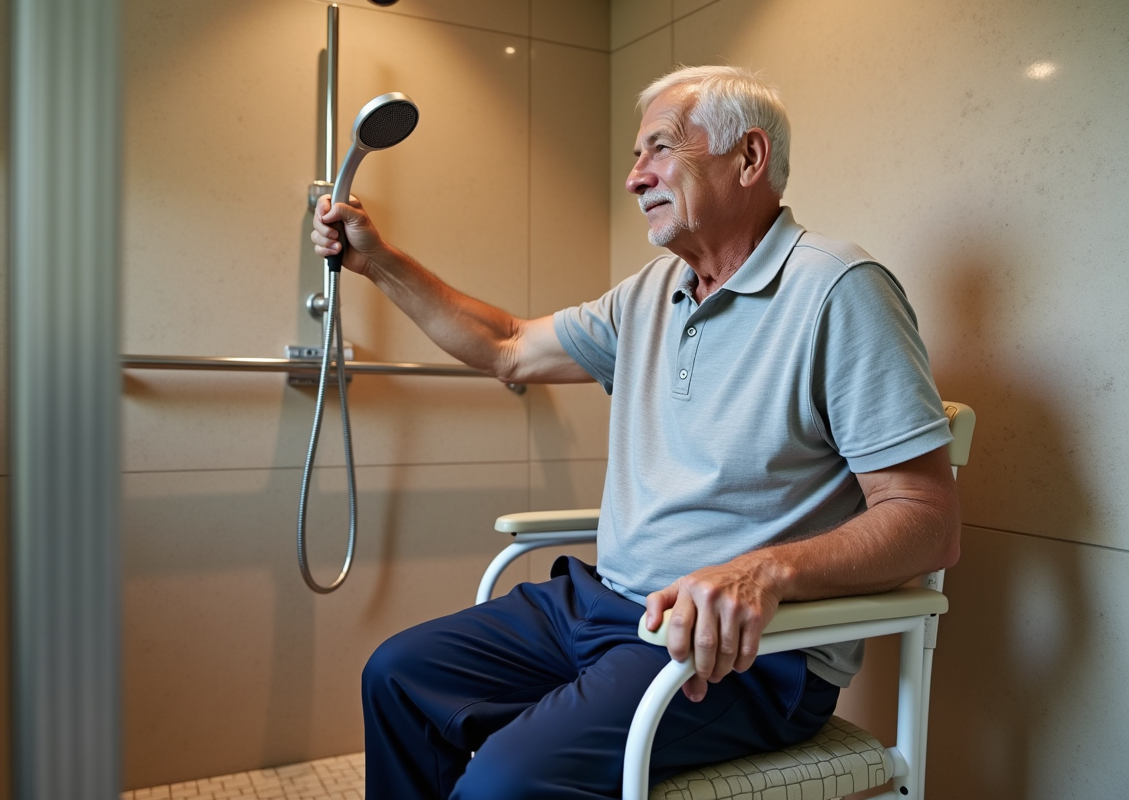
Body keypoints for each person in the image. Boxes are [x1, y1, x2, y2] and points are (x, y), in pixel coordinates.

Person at [312, 65, 961, 800]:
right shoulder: (653, 293)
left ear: (748, 159)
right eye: (634, 154)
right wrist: (378, 263)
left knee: (504, 783)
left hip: (739, 652)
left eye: (658, 148)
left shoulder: (840, 291)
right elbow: (510, 346)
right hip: (604, 605)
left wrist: (764, 572)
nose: (634, 177)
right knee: (397, 676)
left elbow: (926, 522)